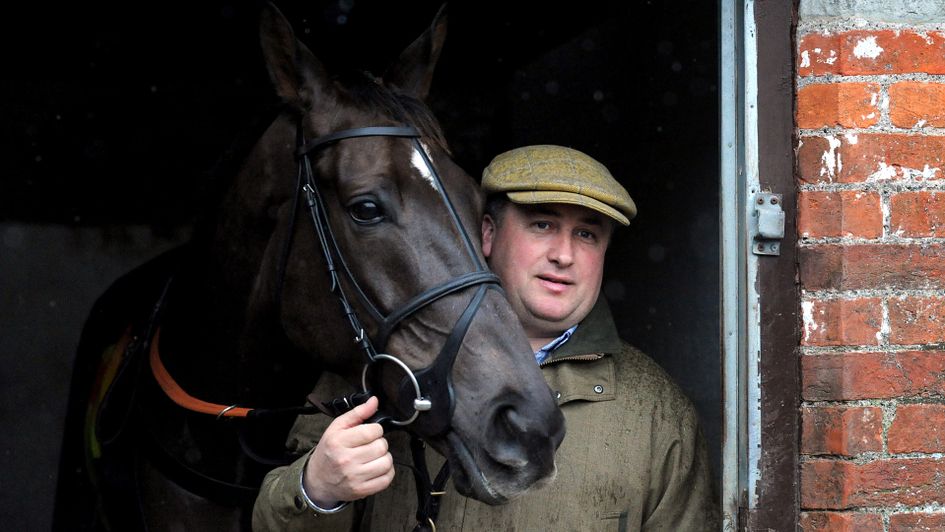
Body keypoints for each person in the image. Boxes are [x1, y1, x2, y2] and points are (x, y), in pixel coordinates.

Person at [253, 145, 719, 531]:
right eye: (543, 224)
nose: (564, 254)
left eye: (587, 234)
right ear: (488, 234)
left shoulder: (656, 410)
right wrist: (316, 490)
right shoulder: (377, 367)